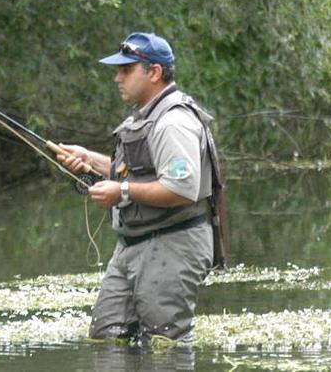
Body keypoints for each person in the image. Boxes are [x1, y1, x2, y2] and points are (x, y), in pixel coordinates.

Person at [49, 32, 226, 344]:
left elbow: (182, 188)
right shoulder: (147, 117)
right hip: (135, 245)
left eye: (126, 70)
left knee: (165, 345)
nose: (117, 78)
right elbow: (141, 173)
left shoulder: (174, 122)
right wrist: (89, 160)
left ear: (154, 72)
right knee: (107, 338)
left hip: (173, 244)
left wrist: (123, 192)